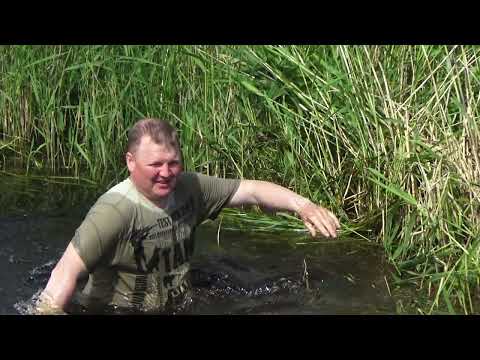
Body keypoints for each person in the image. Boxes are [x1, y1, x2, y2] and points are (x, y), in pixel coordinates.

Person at [35, 118, 340, 314]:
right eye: (155, 164)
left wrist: (303, 205)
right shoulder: (113, 212)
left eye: (173, 163)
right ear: (131, 161)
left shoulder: (190, 187)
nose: (166, 173)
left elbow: (250, 190)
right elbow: (61, 277)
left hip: (178, 303)